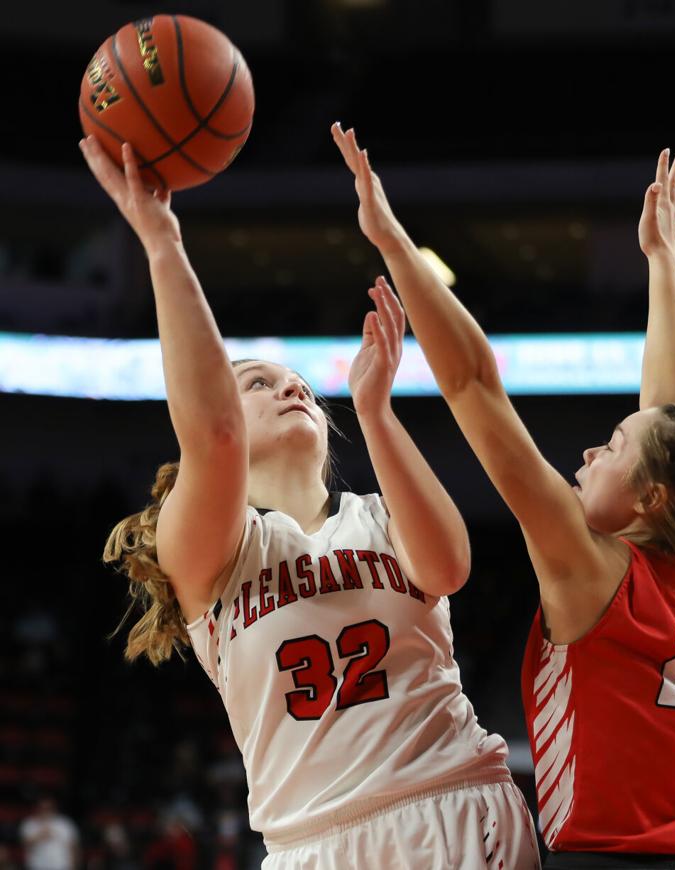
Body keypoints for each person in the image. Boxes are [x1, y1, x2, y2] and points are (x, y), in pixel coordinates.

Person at [333, 124, 675, 868]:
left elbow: (471, 383)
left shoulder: (590, 569)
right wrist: (663, 265)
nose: (590, 451)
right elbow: (673, 418)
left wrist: (395, 243)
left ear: (651, 497)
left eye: (613, 445)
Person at [81, 135, 538, 870]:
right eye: (259, 382)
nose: (289, 387)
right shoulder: (211, 559)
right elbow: (216, 435)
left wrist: (377, 411)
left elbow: (449, 568)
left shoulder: (377, 518)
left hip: (453, 806)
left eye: (299, 384)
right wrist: (163, 243)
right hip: (314, 844)